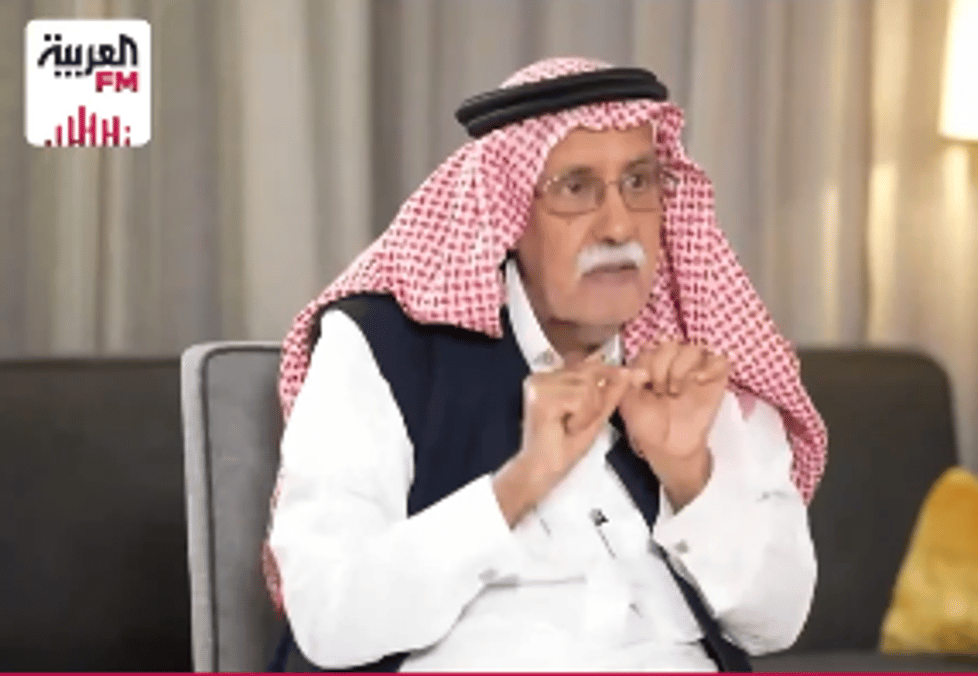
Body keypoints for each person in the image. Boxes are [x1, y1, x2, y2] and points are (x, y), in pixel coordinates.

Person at [264, 57, 828, 672]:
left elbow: (777, 622)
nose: (618, 224)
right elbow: (329, 619)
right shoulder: (383, 349)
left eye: (639, 182)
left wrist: (690, 475)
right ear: (506, 212)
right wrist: (521, 483)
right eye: (576, 188)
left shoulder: (693, 359)